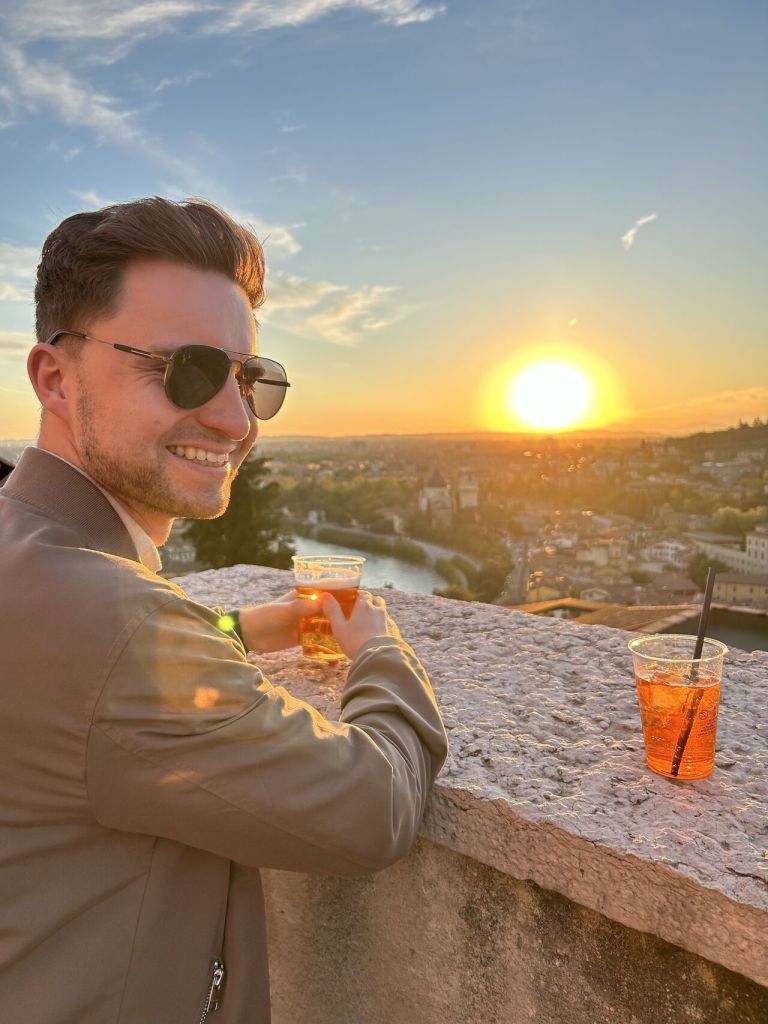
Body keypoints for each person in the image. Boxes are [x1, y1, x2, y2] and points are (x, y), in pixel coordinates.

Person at [0, 198, 447, 1023]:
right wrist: (381, 648)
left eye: (250, 379)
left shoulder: (26, 548)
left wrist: (238, 629)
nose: (235, 420)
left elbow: (89, 693)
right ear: (55, 378)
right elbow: (373, 809)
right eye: (187, 370)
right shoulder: (111, 620)